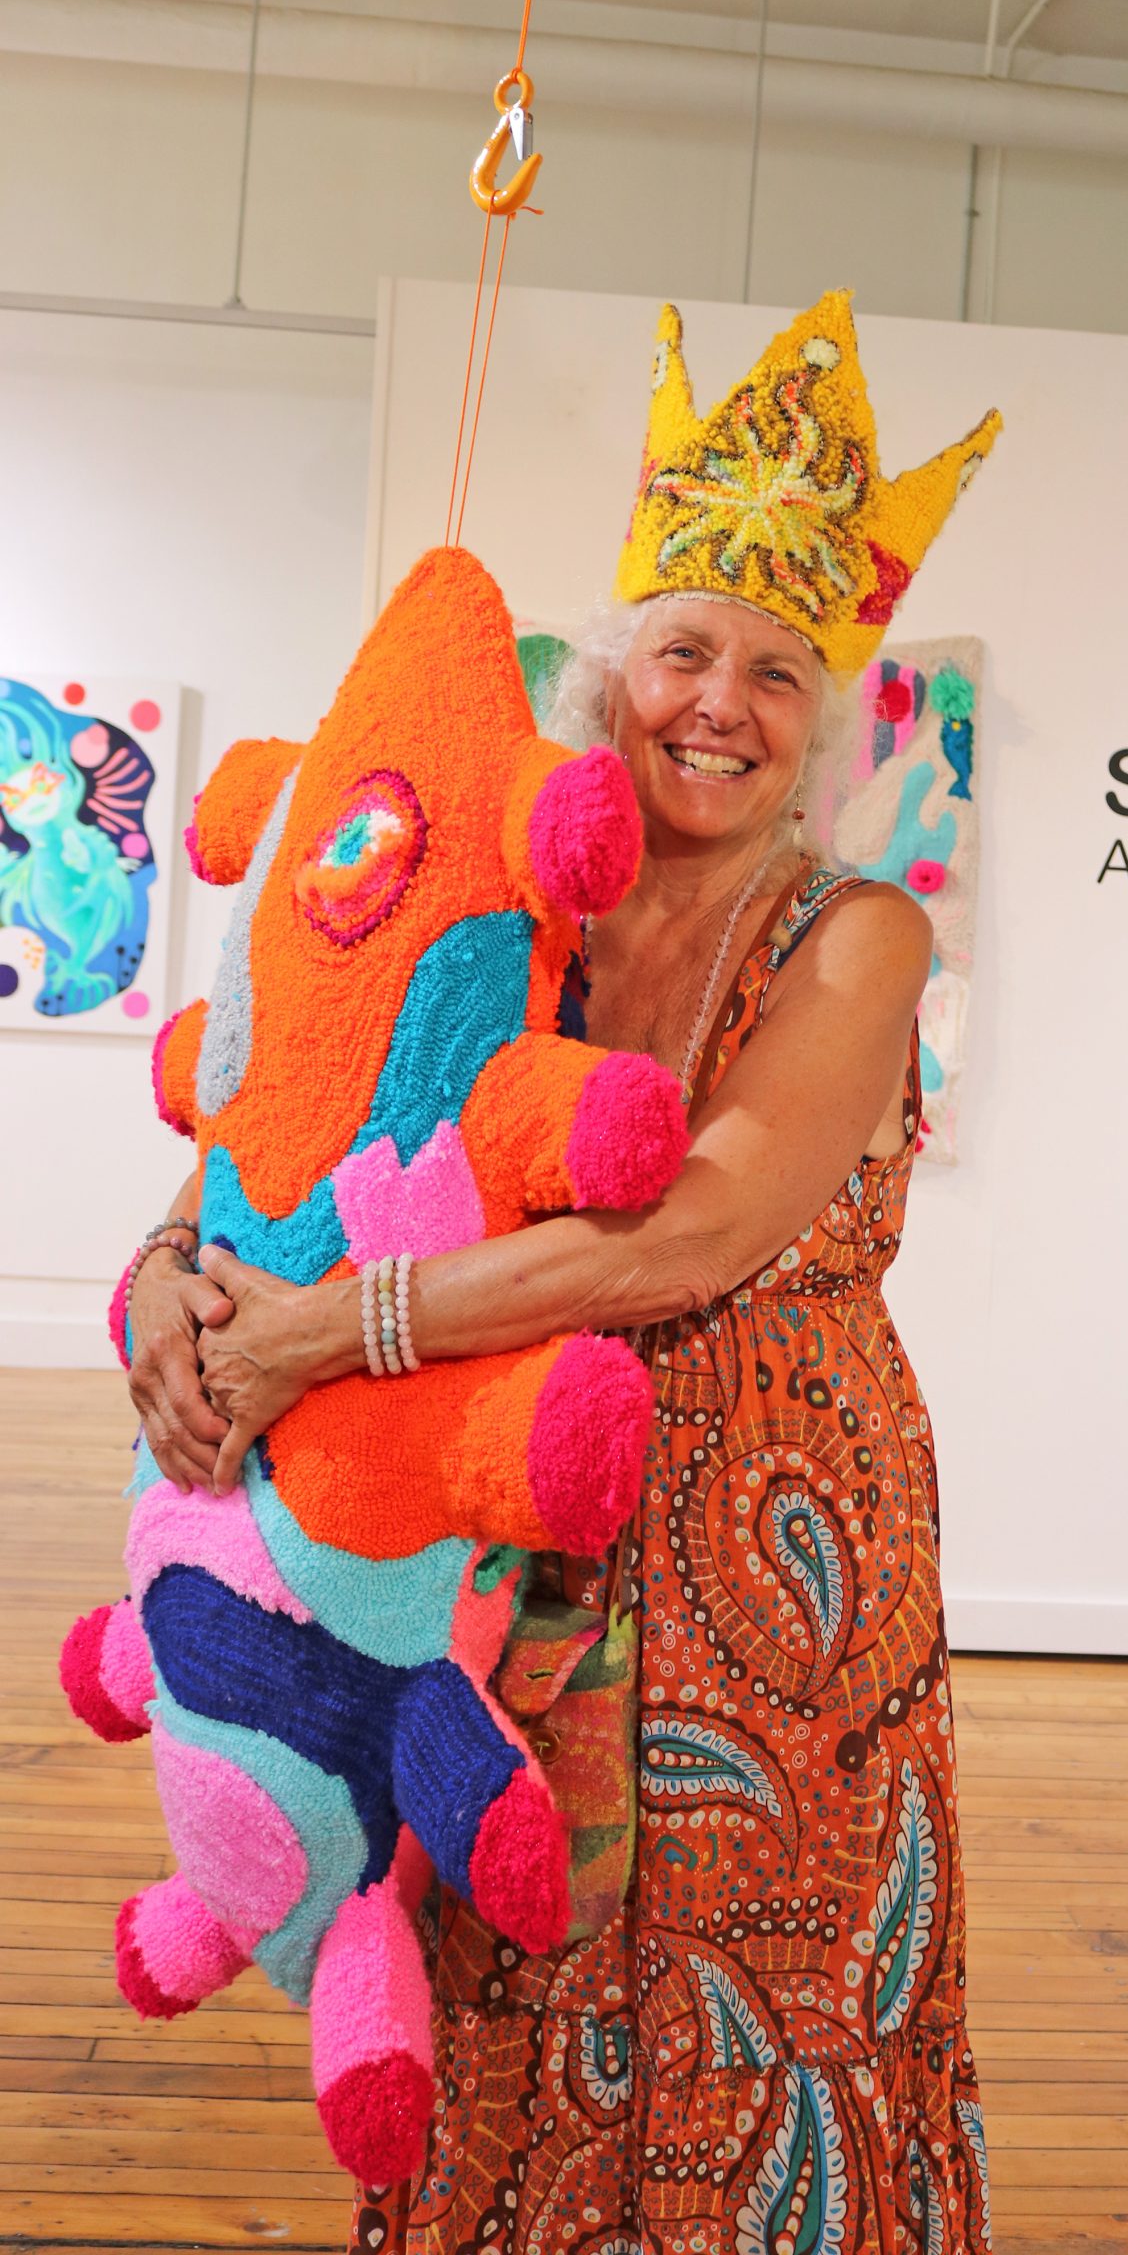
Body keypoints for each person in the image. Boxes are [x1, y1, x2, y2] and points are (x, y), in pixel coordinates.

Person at [121, 291, 1001, 2253]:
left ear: (824, 717)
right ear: (617, 671)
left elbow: (691, 1232)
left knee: (776, 1958)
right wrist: (175, 1269)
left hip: (775, 1556)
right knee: (503, 1943)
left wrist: (330, 1334)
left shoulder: (857, 935)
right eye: (685, 650)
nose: (719, 702)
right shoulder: (521, 912)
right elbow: (304, 1104)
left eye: (777, 672)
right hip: (499, 1517)